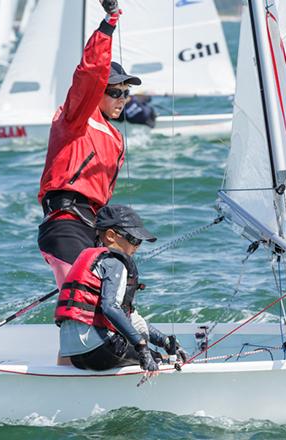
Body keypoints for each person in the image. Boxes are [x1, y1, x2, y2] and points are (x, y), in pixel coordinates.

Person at [38, 0, 143, 289]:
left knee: (121, 285)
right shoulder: (75, 118)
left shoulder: (115, 138)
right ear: (98, 92)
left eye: (126, 93)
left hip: (91, 226)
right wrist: (109, 23)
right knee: (84, 295)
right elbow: (89, 73)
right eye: (114, 92)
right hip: (65, 223)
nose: (122, 99)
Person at [55, 204, 187, 374]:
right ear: (111, 236)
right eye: (133, 239)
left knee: (141, 342)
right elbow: (110, 308)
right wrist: (141, 347)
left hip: (74, 354)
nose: (137, 246)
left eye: (139, 241)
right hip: (97, 351)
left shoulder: (92, 259)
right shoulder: (114, 263)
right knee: (154, 357)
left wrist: (164, 341)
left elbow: (129, 317)